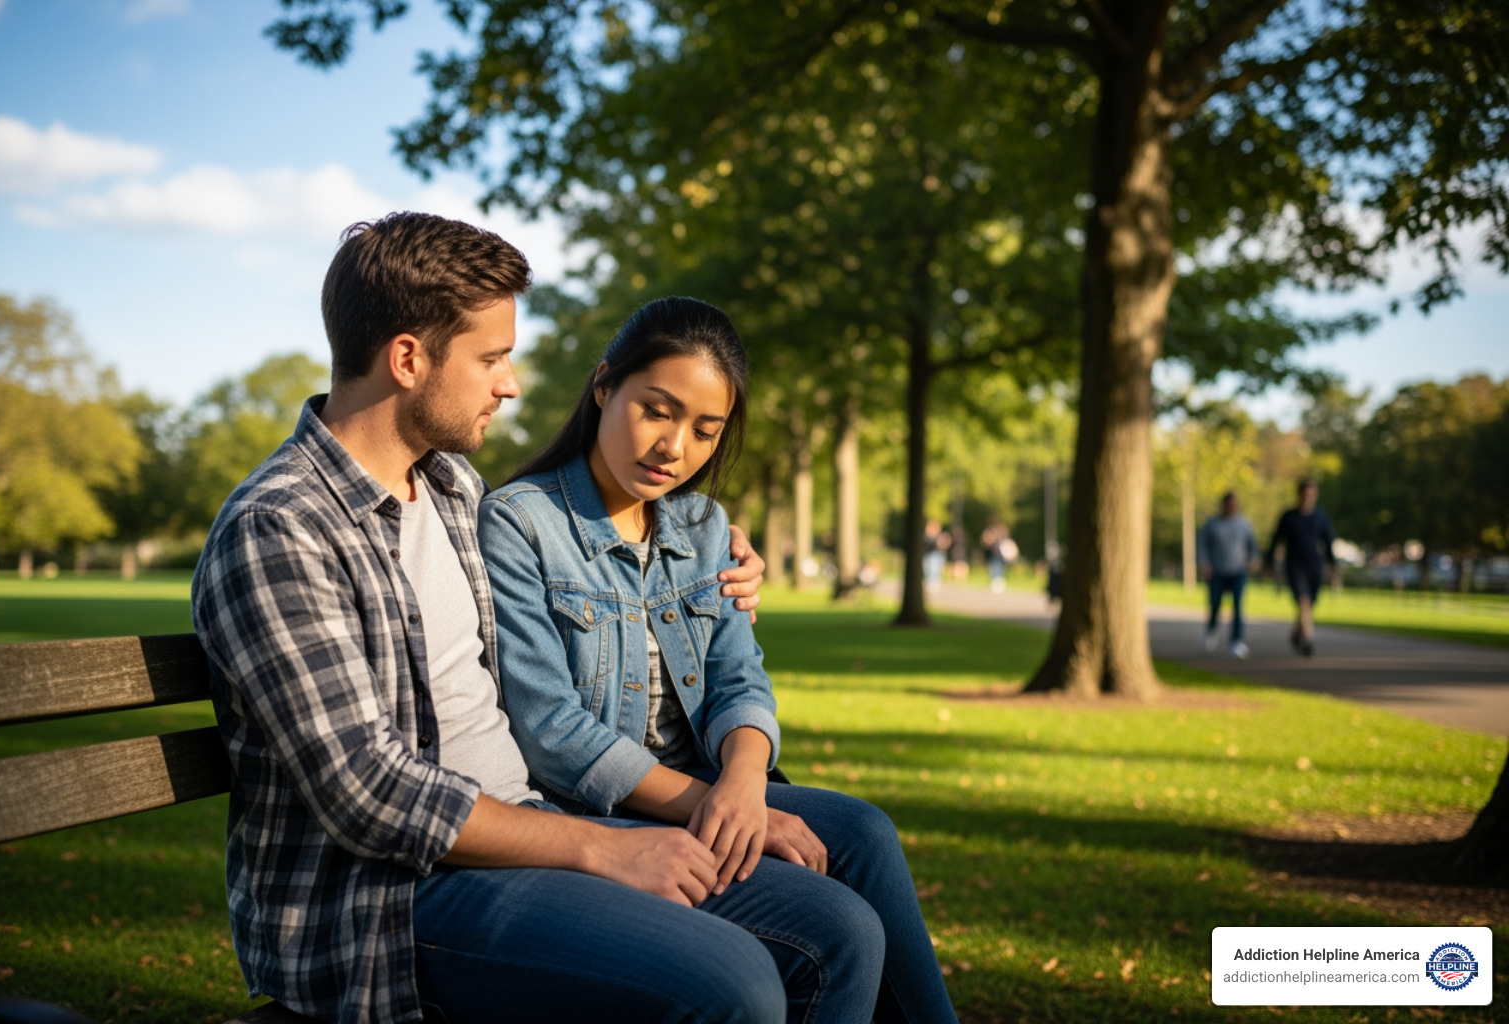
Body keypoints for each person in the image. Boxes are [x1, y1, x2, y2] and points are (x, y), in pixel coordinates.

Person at [190, 213, 845, 1024]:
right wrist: (603, 846)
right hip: (395, 902)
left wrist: (717, 556)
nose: (511, 383)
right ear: (407, 359)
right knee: (733, 984)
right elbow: (368, 793)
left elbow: (575, 568)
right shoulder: (280, 526)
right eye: (492, 358)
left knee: (834, 929)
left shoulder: (453, 489)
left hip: (531, 830)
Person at [478, 297, 959, 1024]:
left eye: (705, 429)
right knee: (842, 924)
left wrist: (742, 782)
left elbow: (740, 675)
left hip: (709, 783)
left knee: (864, 831)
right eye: (656, 410)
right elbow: (550, 730)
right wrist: (714, 804)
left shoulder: (703, 526)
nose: (674, 447)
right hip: (601, 810)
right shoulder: (521, 522)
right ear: (605, 386)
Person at [1265, 477, 1337, 657]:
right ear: (1298, 495)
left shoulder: (1320, 517)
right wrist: (1270, 564)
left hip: (1314, 566)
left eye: (1310, 495)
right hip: (1294, 566)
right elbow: (1275, 541)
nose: (1307, 498)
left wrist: (1333, 567)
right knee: (1303, 602)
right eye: (1304, 494)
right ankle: (1308, 639)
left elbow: (1328, 543)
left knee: (1307, 605)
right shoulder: (1289, 517)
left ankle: (1297, 633)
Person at [1197, 491, 1260, 659]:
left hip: (1238, 571)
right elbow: (1202, 545)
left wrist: (1253, 560)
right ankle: (1211, 630)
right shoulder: (1212, 524)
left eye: (1234, 504)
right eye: (1228, 504)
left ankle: (1237, 641)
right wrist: (1204, 563)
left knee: (1238, 607)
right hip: (1217, 571)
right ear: (1223, 505)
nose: (1231, 507)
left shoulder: (1244, 524)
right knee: (1215, 604)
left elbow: (1253, 546)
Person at [980, 521, 1018, 594]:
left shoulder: (991, 533)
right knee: (997, 569)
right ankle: (997, 584)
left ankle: (997, 584)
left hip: (996, 553)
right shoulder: (999, 533)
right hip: (997, 554)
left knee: (996, 569)